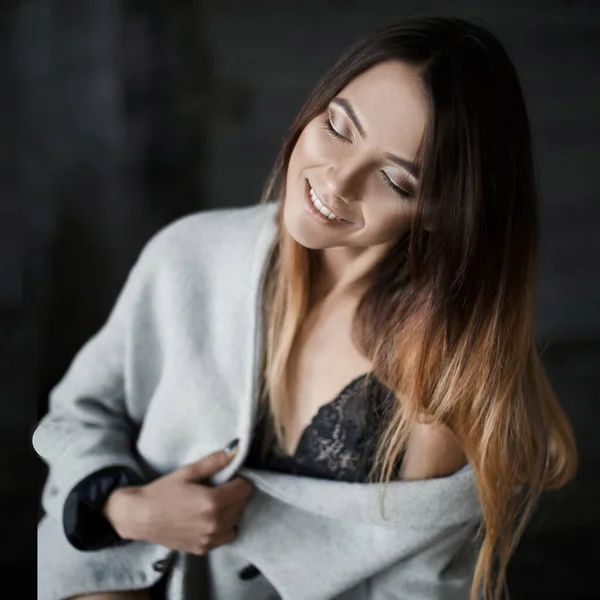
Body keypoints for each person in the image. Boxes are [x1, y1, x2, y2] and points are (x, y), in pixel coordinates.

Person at [34, 15, 578, 600]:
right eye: (339, 128)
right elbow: (76, 413)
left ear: (447, 212)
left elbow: (419, 589)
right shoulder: (187, 256)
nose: (338, 180)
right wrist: (121, 508)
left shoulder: (441, 367)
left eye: (395, 180)